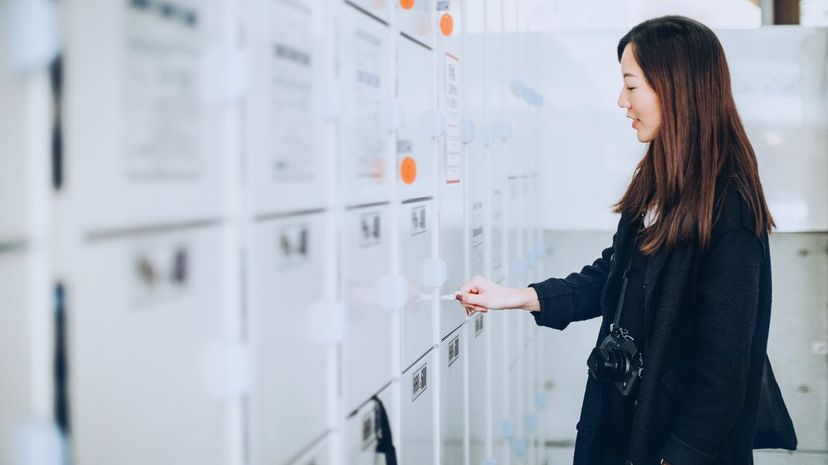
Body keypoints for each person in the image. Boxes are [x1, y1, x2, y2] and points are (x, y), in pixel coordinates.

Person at [457, 16, 776, 465]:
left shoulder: (729, 208)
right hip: (625, 424)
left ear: (676, 88)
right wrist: (516, 297)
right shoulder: (659, 179)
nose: (621, 101)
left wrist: (680, 456)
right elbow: (616, 272)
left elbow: (724, 369)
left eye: (631, 86)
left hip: (675, 448)